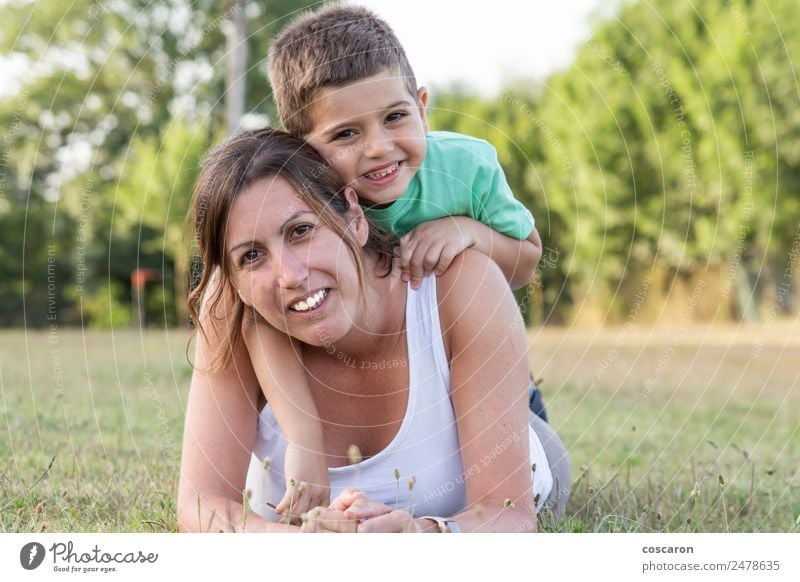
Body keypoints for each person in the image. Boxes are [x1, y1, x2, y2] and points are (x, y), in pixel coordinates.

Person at [177, 129, 570, 533]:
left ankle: (506, 384)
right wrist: (302, 543)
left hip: (520, 433)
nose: (291, 275)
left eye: (301, 231)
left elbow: (511, 516)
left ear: (355, 216)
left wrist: (423, 534)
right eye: (252, 256)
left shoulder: (462, 283)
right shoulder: (231, 312)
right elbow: (198, 506)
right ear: (234, 279)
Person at [243, 4, 550, 521]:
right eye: (346, 134)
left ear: (422, 106)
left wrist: (468, 232)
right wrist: (303, 434)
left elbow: (526, 259)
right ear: (302, 150)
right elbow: (257, 315)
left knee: (516, 467)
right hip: (383, 393)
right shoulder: (299, 207)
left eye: (395, 117)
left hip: (482, 380)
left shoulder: (467, 167)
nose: (379, 149)